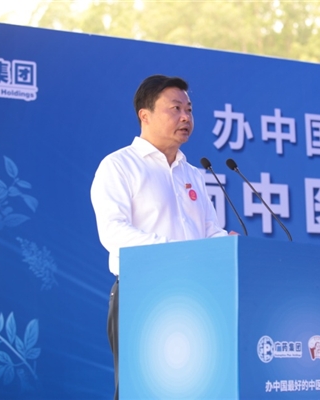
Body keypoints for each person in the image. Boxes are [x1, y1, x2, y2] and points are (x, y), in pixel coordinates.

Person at [90, 75, 231, 400]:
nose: (185, 117)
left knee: (198, 389)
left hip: (198, 295)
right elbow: (113, 232)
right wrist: (174, 253)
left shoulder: (193, 174)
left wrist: (229, 245)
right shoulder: (119, 166)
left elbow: (209, 231)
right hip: (143, 293)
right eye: (175, 109)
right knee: (144, 390)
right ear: (145, 115)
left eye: (189, 110)